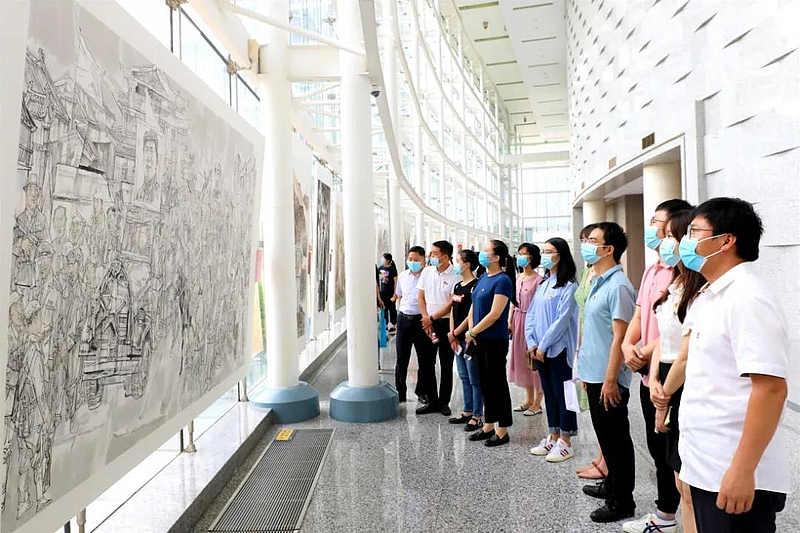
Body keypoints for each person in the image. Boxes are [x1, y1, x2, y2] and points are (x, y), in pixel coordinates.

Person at [658, 198, 790, 532]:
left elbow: (771, 389)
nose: (686, 241)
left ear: (726, 240)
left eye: (694, 232)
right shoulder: (711, 294)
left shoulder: (748, 298)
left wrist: (742, 470)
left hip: (733, 469)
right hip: (706, 463)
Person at [621, 199, 692, 533]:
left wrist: (645, 353)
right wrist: (628, 346)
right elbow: (641, 316)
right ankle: (667, 513)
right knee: (657, 446)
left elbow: (677, 337)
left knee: (673, 452)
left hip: (672, 374)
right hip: (652, 373)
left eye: (664, 229)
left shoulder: (688, 280)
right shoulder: (655, 271)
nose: (657, 234)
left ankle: (668, 514)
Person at [643, 209, 704, 533]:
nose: (664, 242)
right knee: (678, 475)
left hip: (682, 381)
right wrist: (654, 378)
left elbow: (685, 353)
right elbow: (662, 339)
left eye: (670, 236)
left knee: (688, 481)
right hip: (664, 375)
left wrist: (664, 396)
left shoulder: (699, 291)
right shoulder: (674, 283)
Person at [578, 222, 637, 523]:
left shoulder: (619, 286)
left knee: (616, 441)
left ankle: (622, 501)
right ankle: (611, 484)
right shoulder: (598, 281)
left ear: (608, 249)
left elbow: (620, 338)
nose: (586, 245)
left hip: (608, 378)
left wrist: (611, 379)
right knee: (606, 437)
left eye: (592, 241)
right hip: (594, 373)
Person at [525, 237, 579, 463]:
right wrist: (531, 342)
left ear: (560, 255)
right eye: (544, 251)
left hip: (558, 349)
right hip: (539, 350)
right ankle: (553, 435)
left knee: (563, 394)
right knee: (549, 392)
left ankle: (565, 440)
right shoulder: (544, 283)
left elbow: (562, 320)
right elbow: (531, 315)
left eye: (549, 251)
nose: (545, 255)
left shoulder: (569, 286)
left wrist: (544, 344)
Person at [465, 240, 516, 448]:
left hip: (494, 340)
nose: (482, 253)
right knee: (485, 383)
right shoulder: (483, 277)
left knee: (497, 384)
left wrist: (473, 331)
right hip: (478, 338)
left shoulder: (503, 281)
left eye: (486, 251)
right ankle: (488, 425)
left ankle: (502, 430)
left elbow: (495, 314)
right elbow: (473, 306)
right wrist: (471, 330)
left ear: (496, 257)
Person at [574, 223, 607, 481]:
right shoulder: (588, 271)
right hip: (586, 341)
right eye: (584, 240)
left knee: (605, 411)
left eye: (591, 240)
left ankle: (606, 460)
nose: (586, 245)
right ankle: (601, 456)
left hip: (599, 344)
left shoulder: (606, 278)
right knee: (595, 411)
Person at [417, 241, 460, 415]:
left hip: (445, 323)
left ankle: (444, 402)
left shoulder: (456, 275)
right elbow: (420, 296)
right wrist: (426, 318)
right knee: (426, 364)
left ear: (446, 256)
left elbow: (451, 303)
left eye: (435, 253)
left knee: (446, 364)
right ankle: (432, 401)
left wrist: (432, 318)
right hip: (427, 323)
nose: (431, 256)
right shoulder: (427, 272)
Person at [447, 250, 483, 432]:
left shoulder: (475, 286)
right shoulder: (457, 286)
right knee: (463, 376)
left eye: (458, 260)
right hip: (456, 338)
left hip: (469, 338)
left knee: (474, 378)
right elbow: (453, 310)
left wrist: (457, 332)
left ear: (467, 264)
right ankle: (467, 411)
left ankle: (477, 415)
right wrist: (452, 333)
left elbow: (471, 315)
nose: (456, 263)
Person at [508, 243, 544, 416]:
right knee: (523, 361)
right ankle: (528, 399)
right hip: (517, 320)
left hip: (532, 323)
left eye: (524, 254)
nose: (520, 257)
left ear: (532, 257)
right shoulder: (518, 277)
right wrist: (510, 320)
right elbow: (513, 302)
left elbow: (539, 306)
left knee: (533, 361)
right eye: (519, 253)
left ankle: (538, 403)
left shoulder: (539, 280)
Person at [393, 246, 430, 403]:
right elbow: (399, 295)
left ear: (423, 260)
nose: (412, 262)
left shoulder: (428, 276)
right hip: (404, 320)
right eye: (410, 259)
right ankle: (400, 392)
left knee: (424, 358)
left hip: (421, 320)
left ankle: (421, 391)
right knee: (402, 358)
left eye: (416, 260)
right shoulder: (403, 276)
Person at [378, 253, 399, 332]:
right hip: (382, 292)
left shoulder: (392, 269)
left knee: (392, 308)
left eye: (383, 258)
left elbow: (396, 282)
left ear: (388, 260)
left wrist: (395, 293)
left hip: (390, 292)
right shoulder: (380, 268)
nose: (382, 260)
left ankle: (393, 324)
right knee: (384, 308)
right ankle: (385, 324)